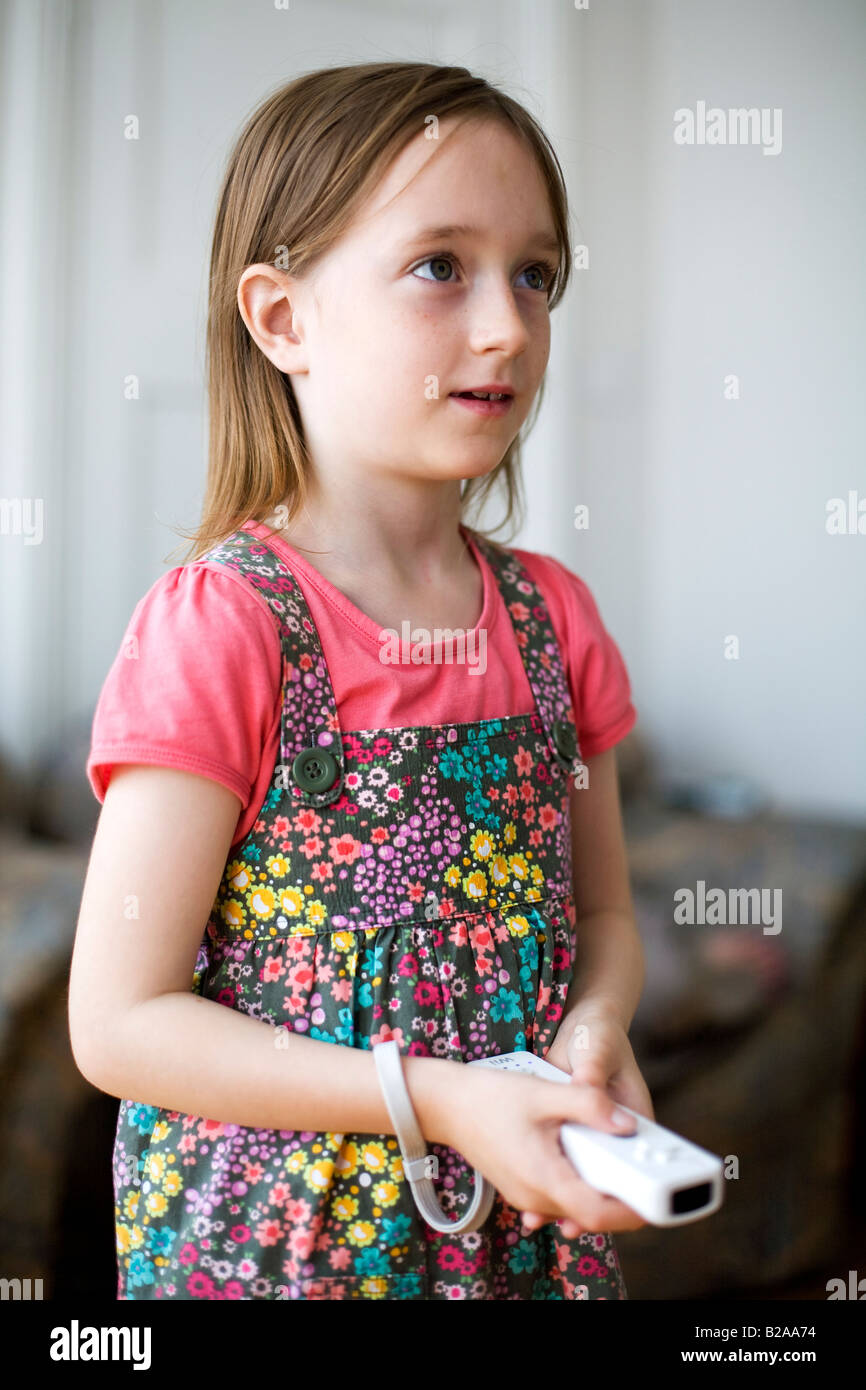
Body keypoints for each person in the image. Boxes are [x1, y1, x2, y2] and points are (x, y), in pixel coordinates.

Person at [69, 60, 654, 1301]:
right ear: (282, 319)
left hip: (516, 1237)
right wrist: (438, 1099)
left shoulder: (554, 619)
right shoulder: (223, 625)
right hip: (283, 1253)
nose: (506, 324)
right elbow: (118, 1023)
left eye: (535, 274)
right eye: (439, 265)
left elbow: (601, 920)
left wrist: (593, 1031)